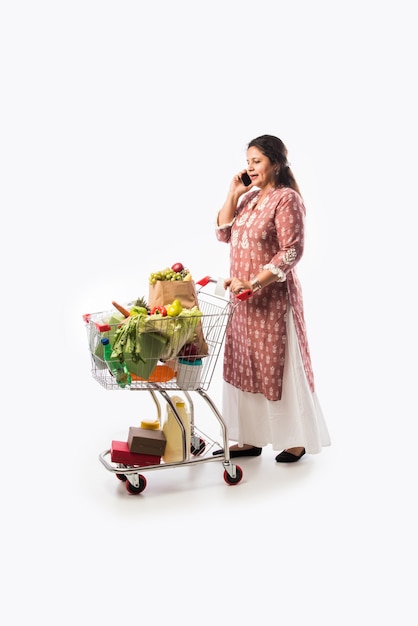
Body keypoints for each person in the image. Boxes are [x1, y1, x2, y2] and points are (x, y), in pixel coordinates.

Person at [213, 134, 330, 462]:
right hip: (243, 302)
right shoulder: (249, 199)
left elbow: (292, 250)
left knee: (276, 368)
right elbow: (223, 232)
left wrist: (255, 282)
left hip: (273, 300)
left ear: (275, 164)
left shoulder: (286, 198)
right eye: (248, 161)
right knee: (246, 367)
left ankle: (295, 439)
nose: (250, 167)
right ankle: (249, 438)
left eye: (257, 161)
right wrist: (234, 193)